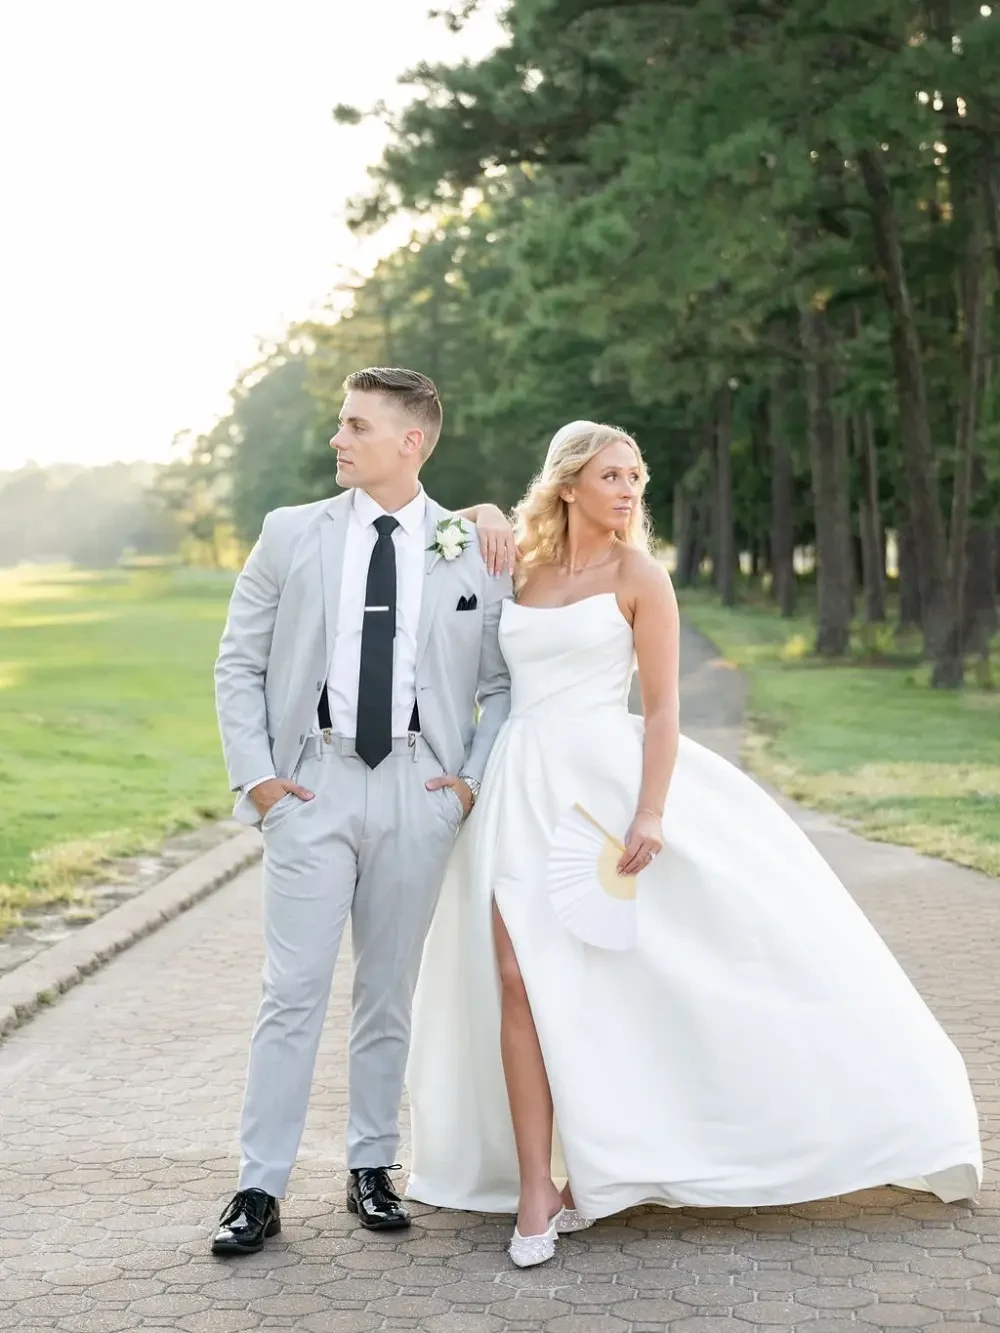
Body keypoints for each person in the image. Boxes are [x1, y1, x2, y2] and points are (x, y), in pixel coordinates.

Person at [405, 420, 983, 1269]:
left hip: (603, 789)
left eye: (636, 475)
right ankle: (539, 1186)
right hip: (520, 786)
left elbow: (668, 708)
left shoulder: (641, 576)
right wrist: (484, 506)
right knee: (514, 978)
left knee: (621, 974)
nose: (630, 488)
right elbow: (424, 545)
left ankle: (647, 1141)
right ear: (568, 484)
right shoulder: (517, 570)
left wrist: (650, 812)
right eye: (611, 475)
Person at [211, 366, 518, 1255]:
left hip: (420, 789)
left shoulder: (471, 545)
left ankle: (371, 1167)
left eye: (356, 425)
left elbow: (501, 685)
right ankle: (258, 1186)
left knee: (388, 989)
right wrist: (261, 780)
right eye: (341, 424)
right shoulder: (289, 533)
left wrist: (465, 781)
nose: (337, 440)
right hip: (312, 785)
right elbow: (238, 662)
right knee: (292, 990)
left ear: (410, 442)